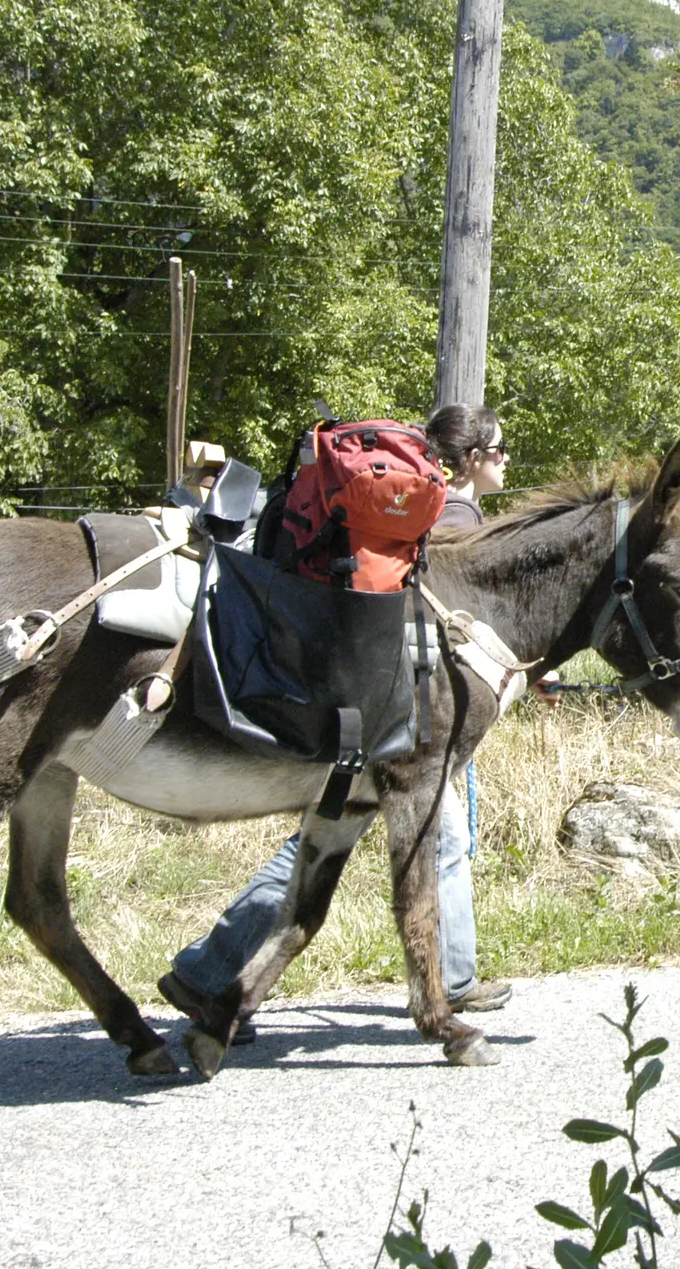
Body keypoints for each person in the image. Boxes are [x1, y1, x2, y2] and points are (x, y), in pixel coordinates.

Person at [159, 405, 514, 1042]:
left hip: (385, 699)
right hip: (398, 712)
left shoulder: (430, 512)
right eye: (500, 449)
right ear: (473, 458)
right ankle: (211, 969)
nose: (507, 461)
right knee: (338, 838)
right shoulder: (451, 518)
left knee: (384, 836)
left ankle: (452, 978)